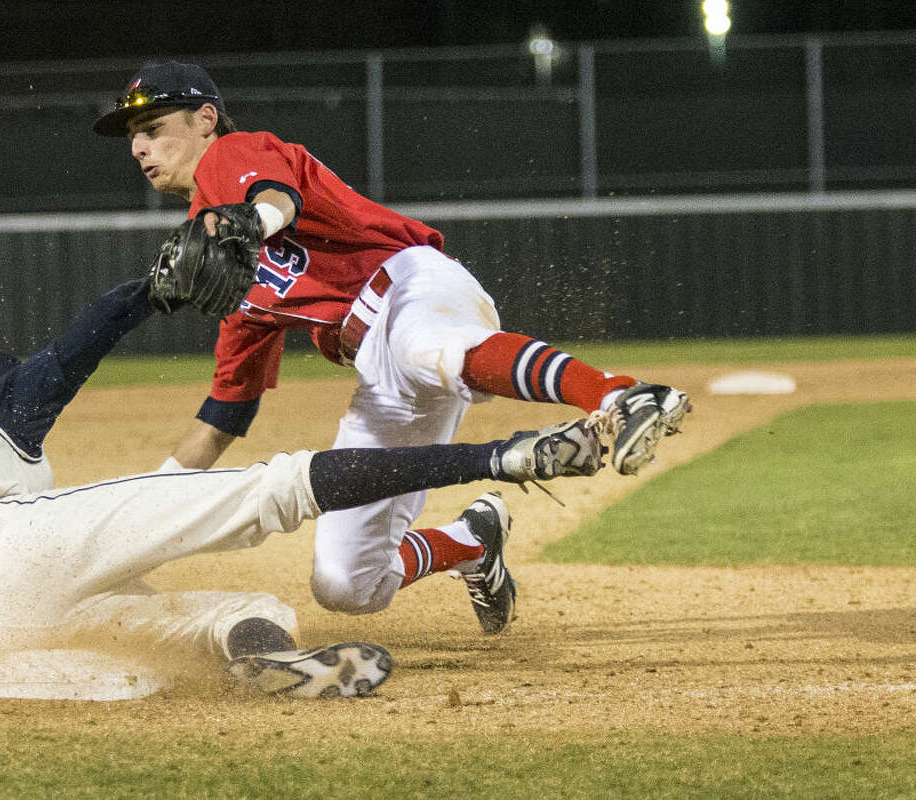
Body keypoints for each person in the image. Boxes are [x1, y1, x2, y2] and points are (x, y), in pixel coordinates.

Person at [90, 60, 693, 633]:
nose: (139, 148)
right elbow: (225, 413)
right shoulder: (224, 270)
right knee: (346, 583)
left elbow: (277, 200)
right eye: (133, 138)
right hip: (379, 367)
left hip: (409, 285)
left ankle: (623, 395)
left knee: (423, 347)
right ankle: (472, 540)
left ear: (204, 119)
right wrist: (144, 518)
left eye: (152, 128)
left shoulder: (237, 153)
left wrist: (250, 224)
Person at [0, 277, 604, 698]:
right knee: (277, 488)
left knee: (233, 612)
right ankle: (502, 457)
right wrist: (146, 292)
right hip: (15, 549)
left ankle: (262, 658)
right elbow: (71, 353)